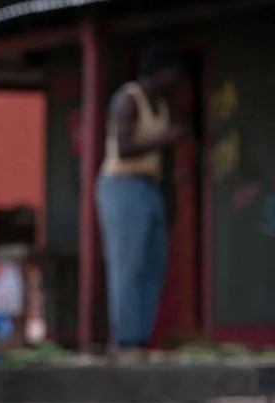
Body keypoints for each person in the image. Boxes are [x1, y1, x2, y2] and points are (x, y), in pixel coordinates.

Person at [96, 43, 184, 359]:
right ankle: (125, 340)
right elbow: (124, 147)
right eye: (174, 72)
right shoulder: (128, 99)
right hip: (121, 184)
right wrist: (165, 139)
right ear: (160, 72)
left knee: (153, 263)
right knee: (127, 264)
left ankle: (142, 337)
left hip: (150, 186)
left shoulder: (161, 105)